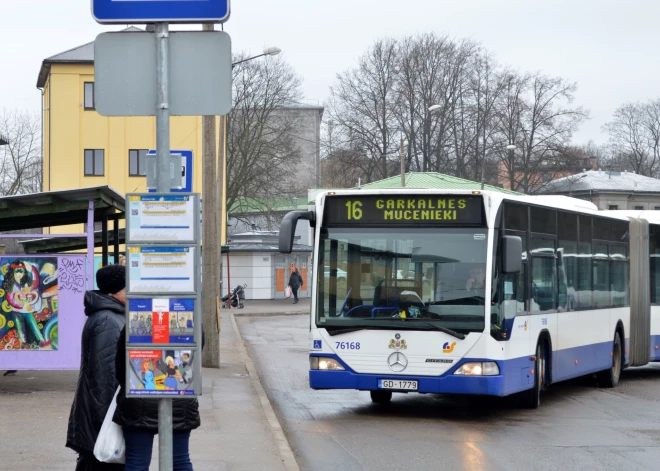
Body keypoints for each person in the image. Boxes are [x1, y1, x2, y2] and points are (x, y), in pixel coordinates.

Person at [66, 264, 127, 471]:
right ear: (114, 292)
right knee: (99, 463)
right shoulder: (108, 320)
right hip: (101, 415)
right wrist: (109, 421)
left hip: (97, 412)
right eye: (128, 288)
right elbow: (105, 376)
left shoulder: (109, 315)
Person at [114, 330, 200, 470]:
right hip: (180, 398)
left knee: (137, 461)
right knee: (180, 461)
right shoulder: (191, 313)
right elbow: (194, 355)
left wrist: (130, 385)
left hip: (138, 398)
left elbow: (121, 364)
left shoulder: (135, 316)